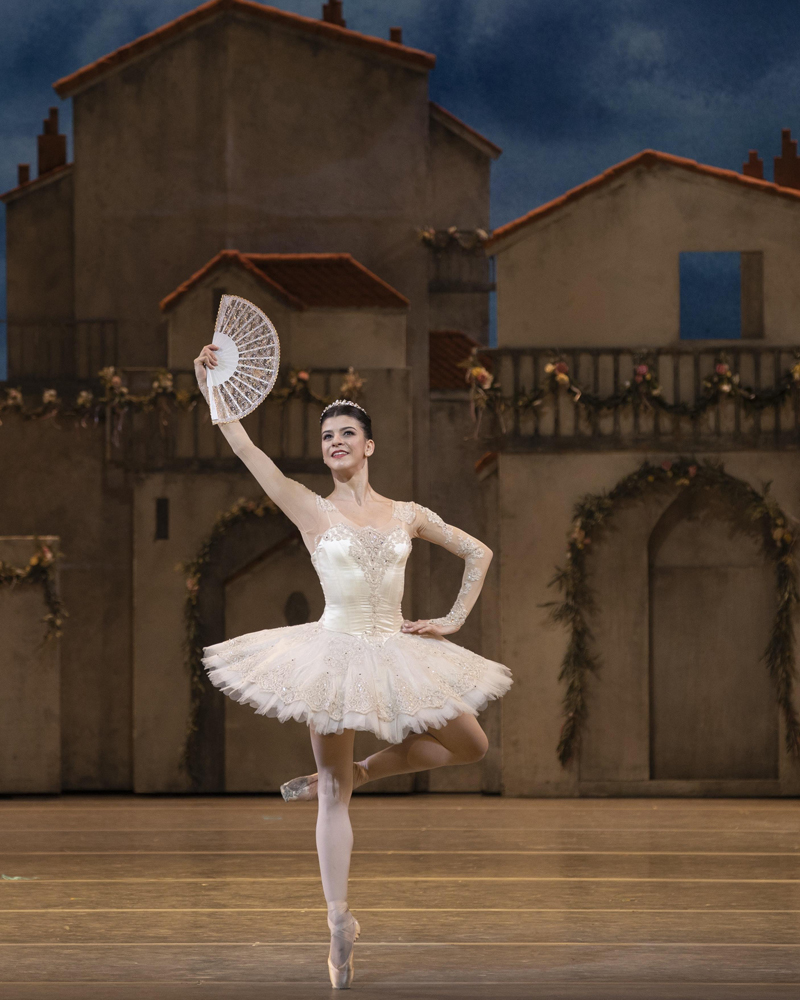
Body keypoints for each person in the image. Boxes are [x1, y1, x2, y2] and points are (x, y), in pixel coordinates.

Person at [194, 343, 513, 989]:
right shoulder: (311, 509)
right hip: (334, 653)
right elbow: (247, 451)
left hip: (397, 650)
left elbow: (477, 552)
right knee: (332, 794)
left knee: (470, 744)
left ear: (368, 446)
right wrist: (216, 390)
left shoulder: (407, 513)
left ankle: (365, 774)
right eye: (327, 436)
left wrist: (450, 621)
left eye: (347, 434)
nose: (335, 441)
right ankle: (339, 924)